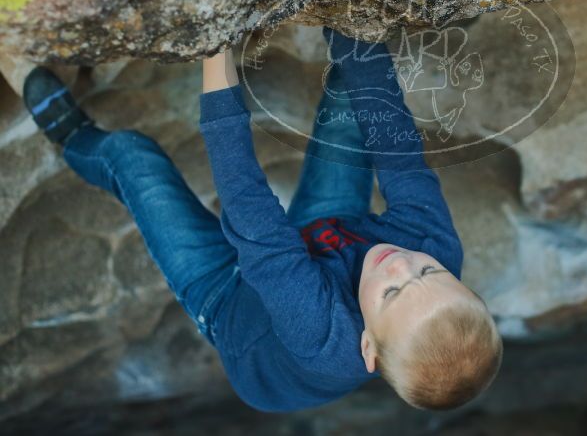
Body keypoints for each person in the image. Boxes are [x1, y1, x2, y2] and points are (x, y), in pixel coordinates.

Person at [14, 26, 502, 412]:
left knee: (132, 158)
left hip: (228, 298)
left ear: (368, 348)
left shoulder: (322, 334)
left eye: (393, 293)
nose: (401, 264)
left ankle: (70, 134)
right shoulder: (432, 246)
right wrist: (350, 11)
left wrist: (213, 45)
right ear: (459, 279)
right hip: (330, 237)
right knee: (360, 95)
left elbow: (248, 207)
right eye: (430, 271)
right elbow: (396, 144)